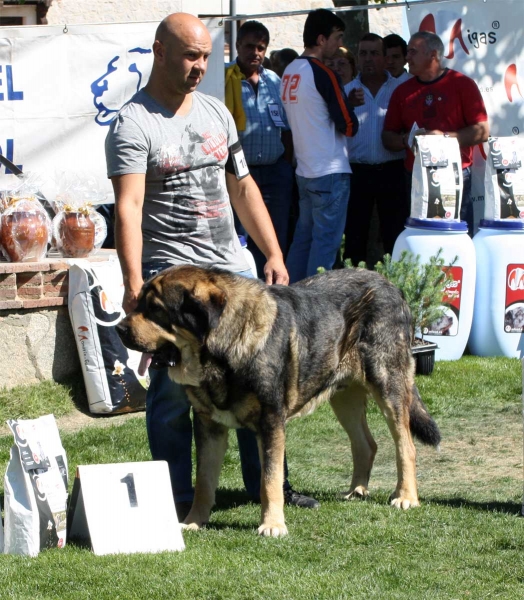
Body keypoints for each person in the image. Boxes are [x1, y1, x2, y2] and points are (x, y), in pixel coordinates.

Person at [105, 12, 318, 520]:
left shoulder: (218, 114)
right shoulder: (133, 124)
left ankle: (265, 489)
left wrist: (272, 252)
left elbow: (242, 185)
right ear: (159, 51)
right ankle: (174, 497)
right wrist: (134, 282)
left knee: (257, 379)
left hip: (230, 272)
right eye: (190, 55)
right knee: (176, 391)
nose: (200, 66)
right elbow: (129, 208)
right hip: (171, 282)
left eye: (205, 56)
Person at [281, 9, 362, 283]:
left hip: (305, 169)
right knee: (324, 245)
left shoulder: (289, 70)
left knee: (303, 240)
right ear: (321, 38)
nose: (338, 45)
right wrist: (350, 108)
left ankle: (289, 297)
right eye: (336, 38)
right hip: (329, 169)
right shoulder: (323, 72)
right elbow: (348, 125)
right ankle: (315, 309)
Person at [382, 31, 489, 235]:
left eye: (413, 52)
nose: (407, 57)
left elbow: (482, 131)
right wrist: (407, 139)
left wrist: (443, 139)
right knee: (422, 237)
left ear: (432, 55)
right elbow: (387, 137)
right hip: (416, 176)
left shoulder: (462, 84)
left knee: (456, 235)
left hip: (455, 175)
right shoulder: (402, 91)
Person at [225, 20, 295, 276]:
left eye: (261, 47)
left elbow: (286, 128)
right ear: (237, 46)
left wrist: (286, 164)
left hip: (275, 173)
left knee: (274, 238)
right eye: (249, 46)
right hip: (239, 175)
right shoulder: (225, 79)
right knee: (240, 239)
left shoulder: (275, 81)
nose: (255, 52)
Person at [343, 33, 408, 267]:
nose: (368, 59)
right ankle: (352, 286)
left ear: (384, 57)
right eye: (363, 53)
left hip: (393, 169)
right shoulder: (346, 91)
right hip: (356, 171)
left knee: (395, 232)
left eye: (374, 53)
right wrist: (347, 106)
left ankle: (398, 283)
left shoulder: (402, 88)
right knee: (355, 234)